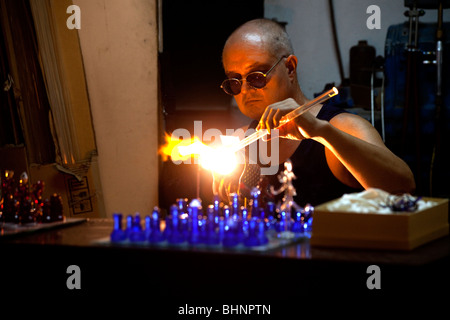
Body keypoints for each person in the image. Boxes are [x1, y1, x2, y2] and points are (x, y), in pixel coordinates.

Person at [214, 18, 415, 207]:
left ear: (290, 68)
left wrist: (322, 132)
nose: (246, 90)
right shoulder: (239, 143)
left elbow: (403, 186)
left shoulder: (342, 126)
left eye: (257, 76)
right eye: (235, 81)